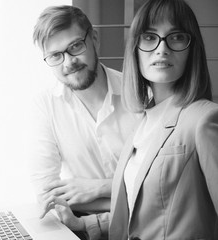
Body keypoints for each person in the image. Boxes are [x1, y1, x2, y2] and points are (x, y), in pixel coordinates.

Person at [40, 0, 218, 239]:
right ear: (135, 49)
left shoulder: (207, 120)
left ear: (192, 48)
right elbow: (145, 214)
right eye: (149, 37)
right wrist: (83, 224)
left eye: (176, 37)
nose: (162, 49)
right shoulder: (143, 122)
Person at [30, 5, 137, 220]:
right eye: (55, 55)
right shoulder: (45, 103)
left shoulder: (138, 94)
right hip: (77, 223)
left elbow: (155, 183)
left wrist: (96, 188)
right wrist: (119, 189)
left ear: (94, 39)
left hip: (139, 222)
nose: (69, 62)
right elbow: (47, 192)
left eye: (76, 46)